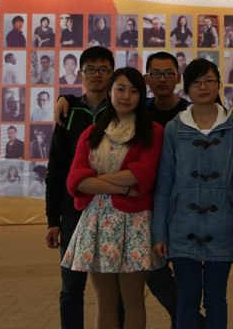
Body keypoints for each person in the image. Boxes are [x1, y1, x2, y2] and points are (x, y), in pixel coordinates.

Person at [62, 66, 164, 329]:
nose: (126, 96)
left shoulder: (152, 132)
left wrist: (98, 180)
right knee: (104, 303)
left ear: (141, 96)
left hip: (134, 223)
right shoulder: (92, 133)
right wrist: (122, 187)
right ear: (110, 92)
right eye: (120, 89)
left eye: (133, 91)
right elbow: (76, 181)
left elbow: (143, 175)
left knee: (133, 302)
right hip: (96, 222)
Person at [150, 59, 233, 328]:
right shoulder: (174, 128)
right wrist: (160, 233)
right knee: (186, 299)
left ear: (218, 85)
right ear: (187, 88)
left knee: (216, 298)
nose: (203, 87)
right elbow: (164, 184)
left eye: (209, 81)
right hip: (182, 226)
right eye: (197, 82)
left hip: (223, 224)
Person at [45, 46, 113, 329]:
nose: (97, 75)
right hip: (74, 212)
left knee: (113, 290)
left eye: (103, 69)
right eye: (90, 69)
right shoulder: (68, 112)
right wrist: (53, 220)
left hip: (112, 211)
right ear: (80, 74)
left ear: (112, 73)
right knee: (71, 288)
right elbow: (56, 169)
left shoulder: (121, 109)